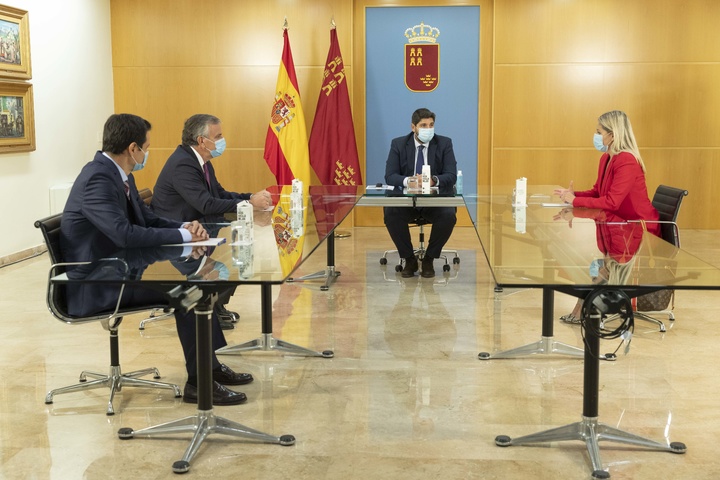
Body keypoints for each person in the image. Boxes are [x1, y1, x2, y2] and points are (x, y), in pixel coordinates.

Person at [60, 113, 253, 405]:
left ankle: (210, 369)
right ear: (133, 148)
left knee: (198, 279)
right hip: (97, 281)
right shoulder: (97, 178)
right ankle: (200, 383)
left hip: (121, 268)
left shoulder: (119, 173)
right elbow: (124, 234)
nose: (147, 153)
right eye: (146, 147)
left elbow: (147, 218)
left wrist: (183, 227)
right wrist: (184, 238)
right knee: (189, 290)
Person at [151, 114, 272, 329]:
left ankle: (216, 306)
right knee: (234, 262)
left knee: (241, 255)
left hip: (202, 230)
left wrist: (249, 198)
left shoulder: (201, 161)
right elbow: (206, 204)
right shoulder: (183, 164)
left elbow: (220, 194)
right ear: (201, 141)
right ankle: (207, 308)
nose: (222, 140)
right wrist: (250, 204)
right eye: (218, 136)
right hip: (180, 237)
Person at [554, 110, 660, 323]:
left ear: (612, 135)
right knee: (598, 262)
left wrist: (575, 202)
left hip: (636, 227)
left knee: (600, 263)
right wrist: (573, 196)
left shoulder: (627, 161)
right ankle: (583, 307)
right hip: (618, 222)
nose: (596, 136)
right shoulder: (607, 158)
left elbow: (612, 202)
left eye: (599, 132)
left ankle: (584, 308)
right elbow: (598, 192)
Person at [384, 108, 457, 278]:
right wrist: (408, 181)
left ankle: (429, 259)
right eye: (423, 125)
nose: (428, 129)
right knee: (391, 213)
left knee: (448, 215)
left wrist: (433, 180)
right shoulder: (399, 144)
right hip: (407, 203)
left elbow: (451, 175)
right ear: (413, 127)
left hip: (434, 203)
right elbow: (390, 176)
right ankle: (409, 259)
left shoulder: (444, 143)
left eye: (431, 125)